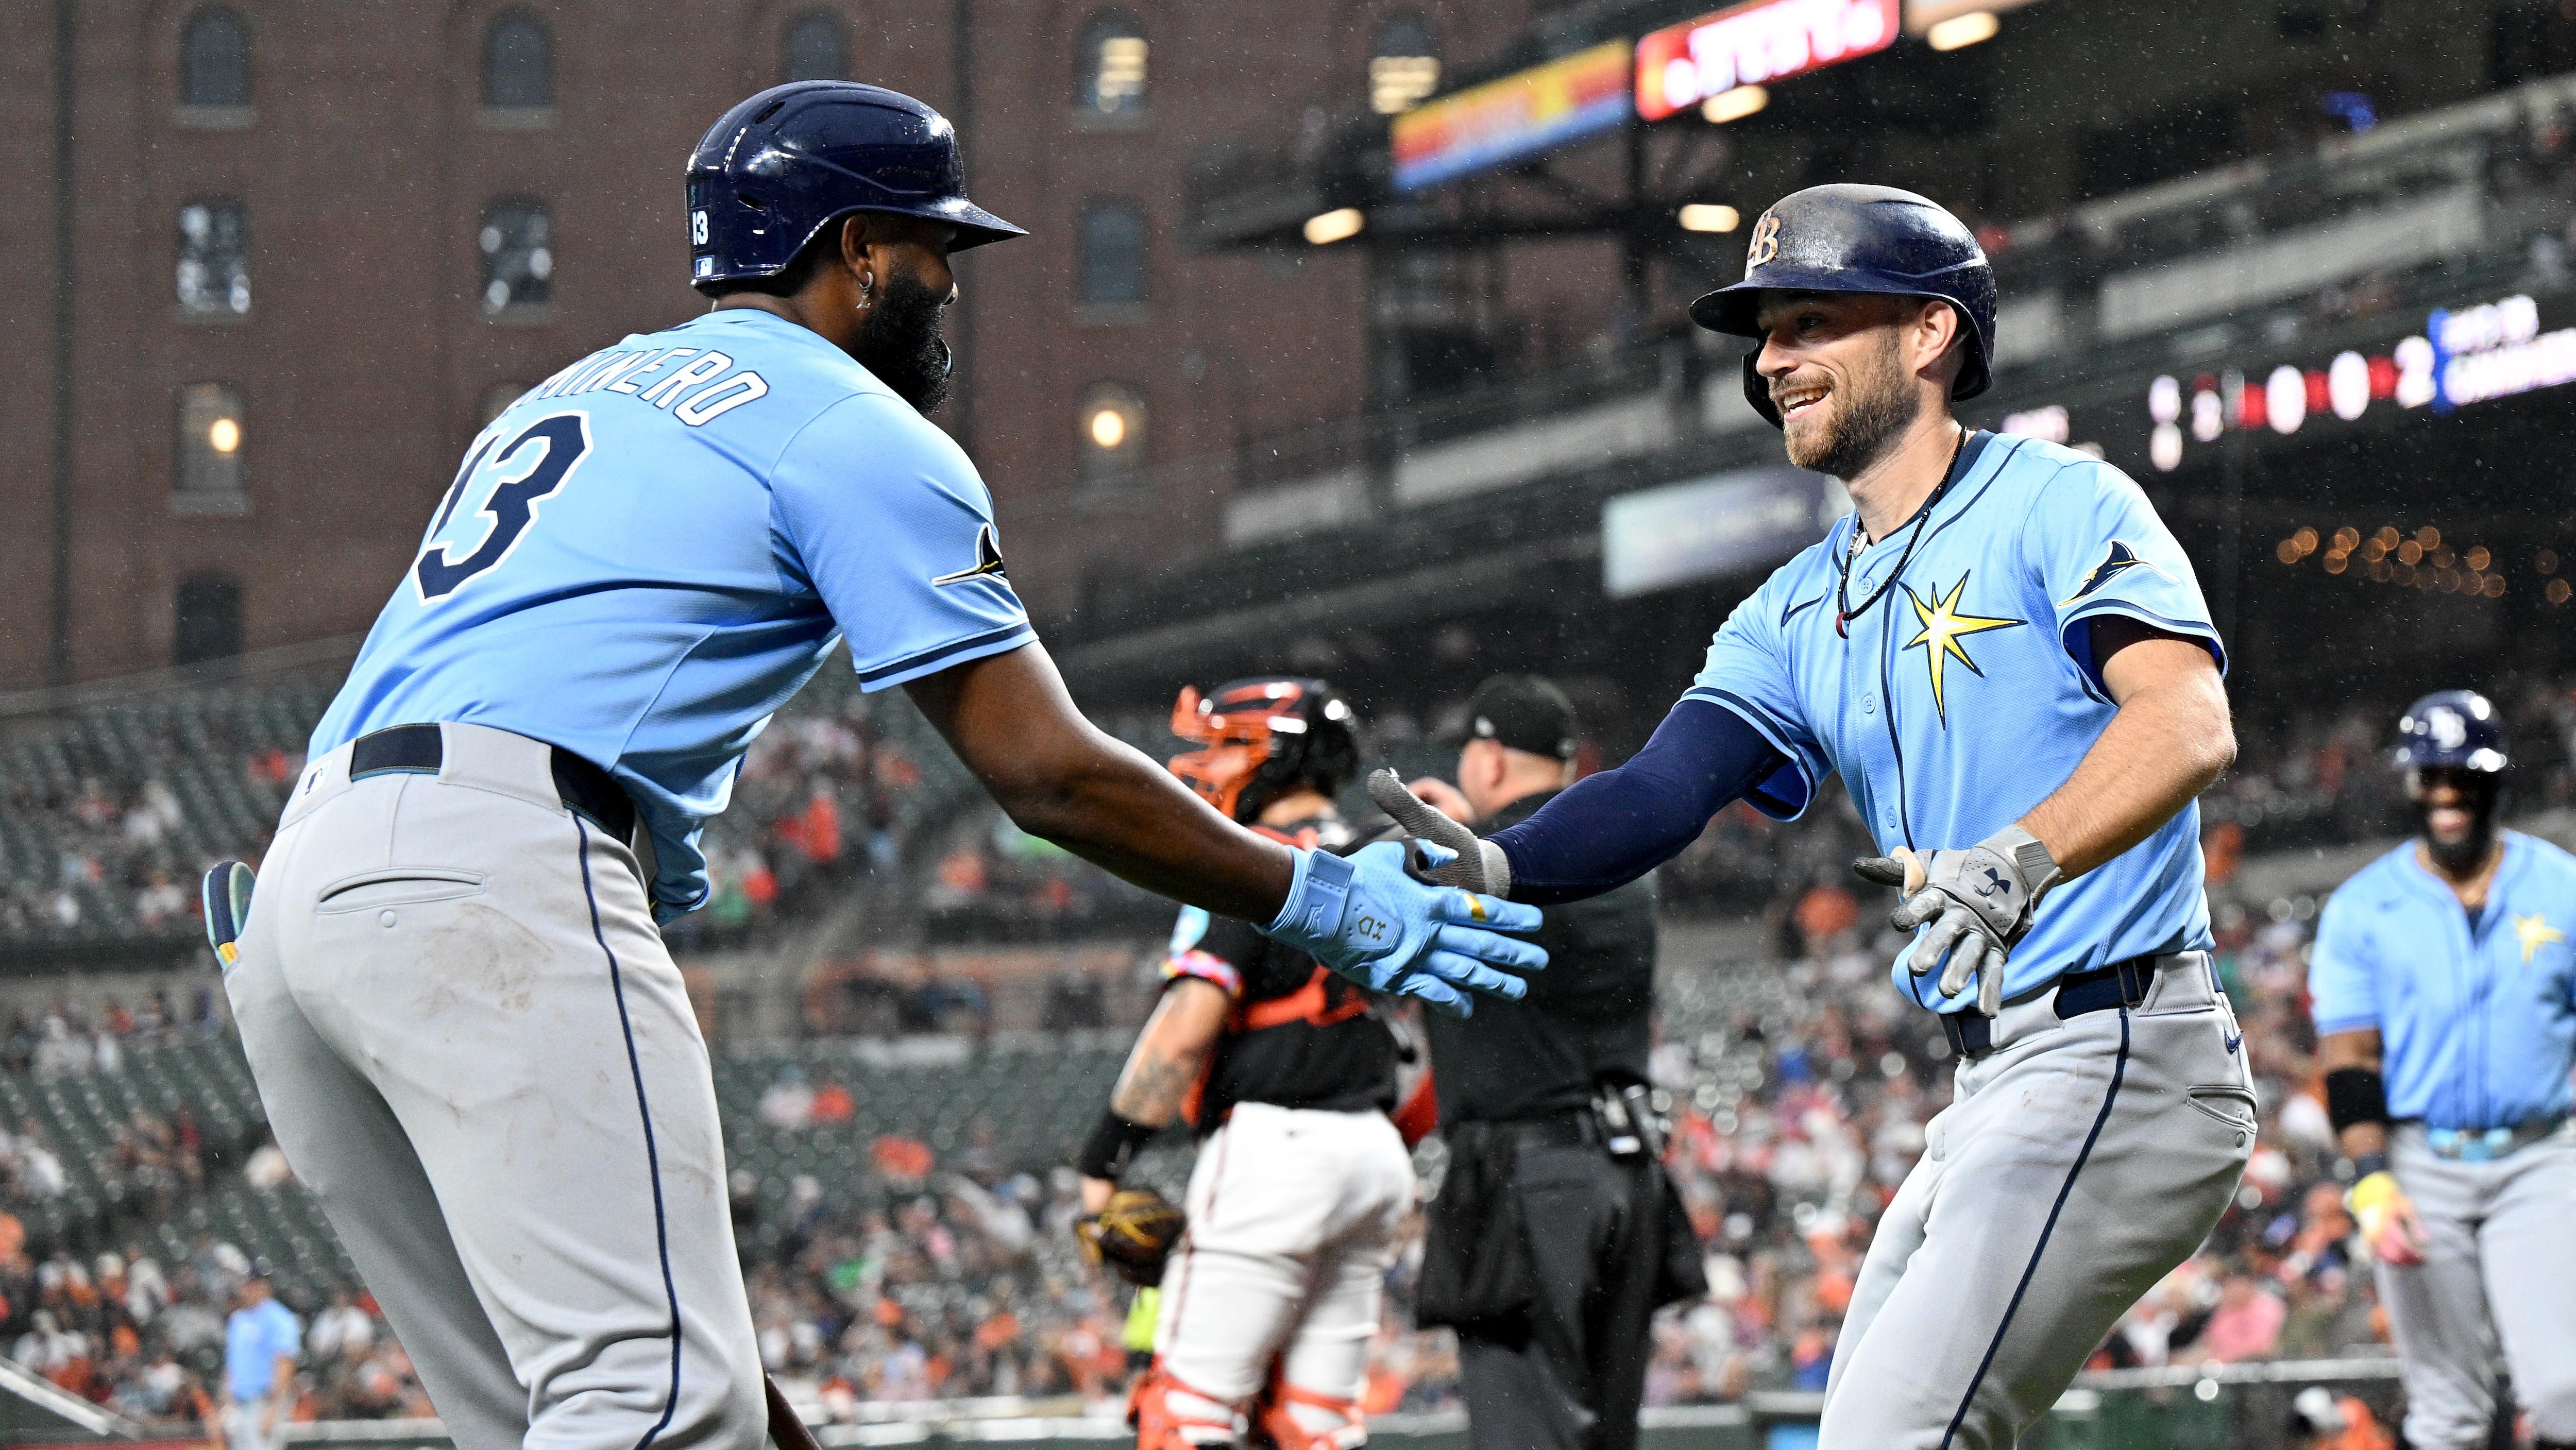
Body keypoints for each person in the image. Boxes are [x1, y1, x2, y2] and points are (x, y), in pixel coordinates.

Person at [205, 82, 1543, 1450]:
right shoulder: (851, 423)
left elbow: (703, 1366)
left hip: (306, 897)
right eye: (931, 252)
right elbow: (1050, 773)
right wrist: (1321, 898)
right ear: (854, 248)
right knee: (644, 1399)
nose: (946, 289)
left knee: (571, 1401)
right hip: (491, 863)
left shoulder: (580, 389)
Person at [1372, 184, 2250, 1448]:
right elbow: (1657, 793)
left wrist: (2021, 855)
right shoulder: (1791, 609)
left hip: (2122, 1046)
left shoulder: (2062, 502)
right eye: (1765, 334)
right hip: (1997, 1078)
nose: (1772, 360)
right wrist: (1501, 863)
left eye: (1809, 322)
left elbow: (2187, 721)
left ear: (1929, 334)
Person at [1076, 678, 1413, 1450]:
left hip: (1275, 1152)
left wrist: (1106, 1156)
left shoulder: (1249, 861)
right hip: (1374, 1155)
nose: (1212, 766)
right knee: (1314, 1426)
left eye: (1229, 745)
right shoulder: (1388, 856)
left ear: (1278, 755)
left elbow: (1188, 1025)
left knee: (1186, 1417)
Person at [1397, 676, 1686, 1450]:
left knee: (1529, 1431)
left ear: (1489, 759)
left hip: (1532, 1180)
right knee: (1605, 1435)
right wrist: (1470, 834)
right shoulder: (1623, 857)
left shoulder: (1472, 872)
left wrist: (1425, 843)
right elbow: (1532, 873)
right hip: (1628, 1177)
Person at [2308, 691, 2576, 1450]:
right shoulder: (2365, 907)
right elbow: (2352, 1058)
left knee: (2566, 1395)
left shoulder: (2562, 886)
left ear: (2498, 781)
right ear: (2412, 783)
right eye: (2432, 776)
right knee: (2448, 1411)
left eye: (2464, 774)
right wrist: (2372, 1176)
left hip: (2541, 1155)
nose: (2448, 793)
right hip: (2421, 1162)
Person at [221, 1263, 299, 1450]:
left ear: (264, 1286)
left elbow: (285, 1364)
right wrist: (224, 1404)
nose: (246, 1290)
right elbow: (231, 1366)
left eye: (251, 1285)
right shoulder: (237, 1320)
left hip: (263, 1402)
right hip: (238, 1404)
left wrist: (274, 1409)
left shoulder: (280, 1318)